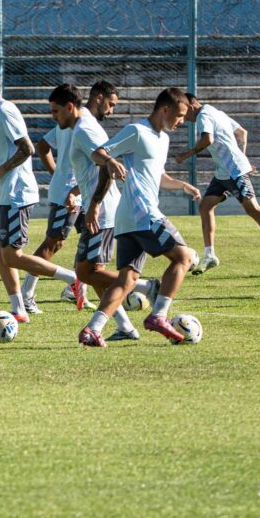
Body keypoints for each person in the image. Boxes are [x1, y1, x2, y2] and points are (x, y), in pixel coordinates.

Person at [78, 87, 201, 347]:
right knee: (185, 257)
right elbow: (98, 153)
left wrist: (181, 185)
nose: (182, 122)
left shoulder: (163, 139)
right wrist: (109, 162)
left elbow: (158, 176)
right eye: (179, 115)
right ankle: (158, 315)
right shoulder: (136, 131)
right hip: (143, 214)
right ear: (165, 110)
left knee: (127, 280)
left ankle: (92, 329)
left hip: (127, 219)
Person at [51, 83, 161, 341]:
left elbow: (103, 161)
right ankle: (125, 327)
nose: (53, 117)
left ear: (70, 107)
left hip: (103, 212)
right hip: (99, 208)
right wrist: (77, 192)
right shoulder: (81, 128)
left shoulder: (84, 130)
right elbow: (94, 166)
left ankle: (146, 286)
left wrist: (94, 203)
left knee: (87, 272)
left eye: (56, 111)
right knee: (90, 273)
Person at [0, 68, 78, 324]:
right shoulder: (0, 113)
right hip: (6, 193)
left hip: (17, 194)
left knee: (12, 255)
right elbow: (10, 155)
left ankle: (74, 279)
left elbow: (27, 149)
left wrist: (0, 171)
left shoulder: (5, 111)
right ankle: (18, 309)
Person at [23, 80, 120, 312]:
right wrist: (59, 175)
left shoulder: (79, 121)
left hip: (82, 193)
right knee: (54, 242)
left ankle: (76, 289)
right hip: (68, 192)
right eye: (111, 104)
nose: (111, 110)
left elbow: (45, 145)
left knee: (86, 245)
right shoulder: (75, 121)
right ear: (99, 98)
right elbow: (42, 146)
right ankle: (26, 294)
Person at [175, 93, 260, 274]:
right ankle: (210, 255)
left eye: (185, 113)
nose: (184, 118)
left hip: (234, 172)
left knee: (253, 209)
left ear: (191, 107)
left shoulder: (203, 116)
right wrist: (242, 158)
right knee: (205, 206)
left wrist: (186, 154)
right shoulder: (217, 112)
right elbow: (242, 133)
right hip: (223, 173)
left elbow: (207, 140)